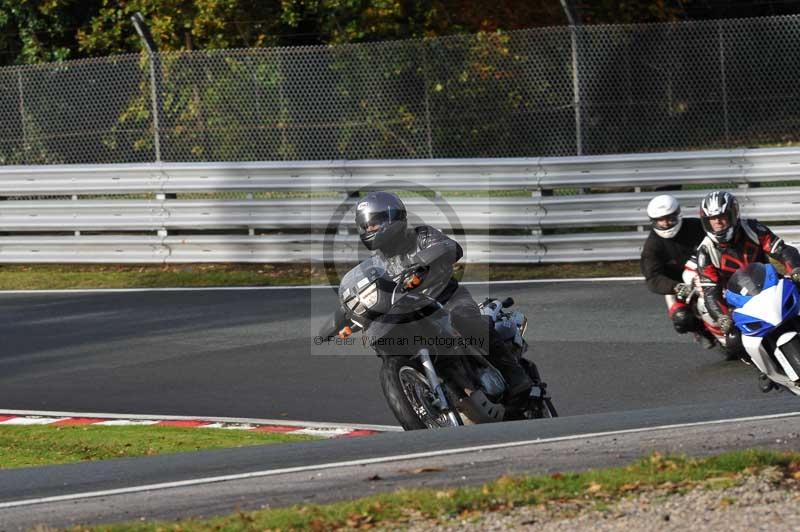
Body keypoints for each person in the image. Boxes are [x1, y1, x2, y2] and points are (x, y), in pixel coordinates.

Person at [345, 191, 533, 399]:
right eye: (366, 225)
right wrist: (344, 316)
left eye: (375, 222)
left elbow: (452, 248)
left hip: (448, 298)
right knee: (387, 337)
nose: (370, 228)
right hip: (410, 309)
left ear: (394, 217)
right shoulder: (376, 265)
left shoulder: (422, 236)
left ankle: (513, 373)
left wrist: (424, 259)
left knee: (465, 320)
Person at [696, 191, 800, 350]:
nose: (717, 222)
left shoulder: (752, 228)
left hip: (769, 283)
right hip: (737, 299)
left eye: (722, 216)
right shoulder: (705, 251)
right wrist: (721, 316)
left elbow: (782, 250)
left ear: (734, 214)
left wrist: (795, 269)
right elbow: (710, 291)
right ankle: (761, 365)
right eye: (712, 219)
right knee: (734, 341)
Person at [640, 194, 708, 344]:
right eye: (660, 220)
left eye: (670, 218)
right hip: (678, 285)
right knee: (682, 320)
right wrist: (675, 287)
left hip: (709, 273)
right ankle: (701, 330)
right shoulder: (652, 246)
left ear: (678, 214)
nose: (666, 223)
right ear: (653, 222)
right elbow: (652, 278)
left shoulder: (696, 227)